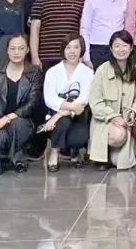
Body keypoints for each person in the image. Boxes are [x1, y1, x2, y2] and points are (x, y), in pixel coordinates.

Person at [88, 30, 136, 170]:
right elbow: (95, 102)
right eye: (117, 46)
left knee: (120, 163)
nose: (121, 49)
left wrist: (134, 112)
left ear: (131, 47)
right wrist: (113, 117)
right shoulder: (102, 71)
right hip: (105, 121)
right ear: (111, 49)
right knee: (118, 134)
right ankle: (104, 153)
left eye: (124, 45)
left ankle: (115, 155)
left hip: (128, 123)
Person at [0, 34, 43, 174]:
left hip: (21, 121)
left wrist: (7, 119)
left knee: (18, 124)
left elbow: (32, 104)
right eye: (13, 48)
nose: (16, 52)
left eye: (21, 48)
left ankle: (14, 157)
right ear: (7, 50)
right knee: (0, 137)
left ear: (27, 50)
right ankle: (2, 156)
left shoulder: (34, 72)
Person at [40, 34, 94, 171]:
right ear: (63, 50)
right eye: (68, 47)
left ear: (82, 49)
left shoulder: (88, 73)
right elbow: (49, 98)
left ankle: (75, 151)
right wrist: (65, 111)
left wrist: (59, 114)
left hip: (79, 115)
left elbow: (83, 99)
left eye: (76, 47)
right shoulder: (52, 72)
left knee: (79, 135)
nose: (72, 51)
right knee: (62, 122)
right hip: (56, 115)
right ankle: (54, 152)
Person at [30, 0, 85, 69]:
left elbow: (83, 30)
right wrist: (35, 57)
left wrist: (82, 55)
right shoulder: (40, 2)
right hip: (46, 58)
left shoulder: (80, 1)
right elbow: (34, 32)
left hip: (72, 56)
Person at [80, 0, 128, 68]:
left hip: (118, 50)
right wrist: (86, 57)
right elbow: (85, 29)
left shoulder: (124, 2)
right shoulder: (92, 1)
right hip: (97, 50)